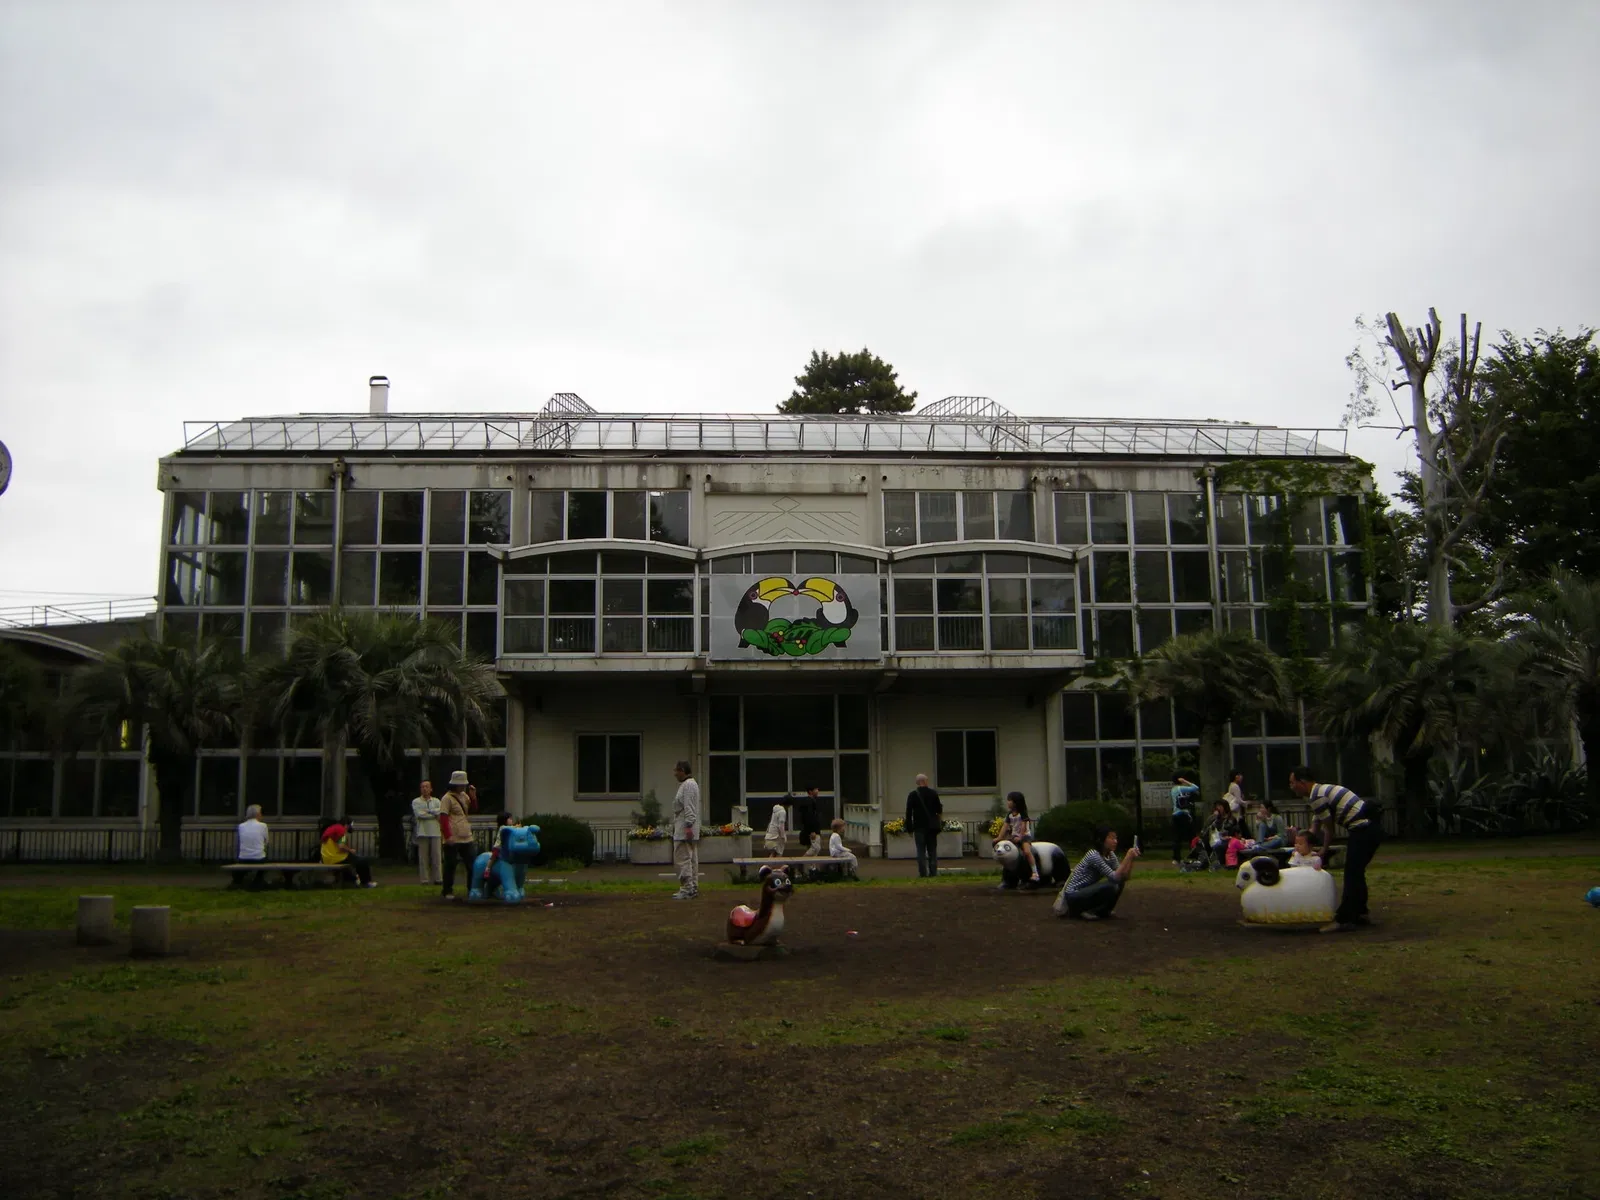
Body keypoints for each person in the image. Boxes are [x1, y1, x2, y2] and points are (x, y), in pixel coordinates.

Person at [1289, 765, 1380, 933]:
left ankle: (1344, 919)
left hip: (1362, 829)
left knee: (1352, 873)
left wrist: (1324, 850)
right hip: (1370, 828)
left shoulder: (1317, 796)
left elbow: (1329, 829)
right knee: (1356, 872)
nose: (1291, 787)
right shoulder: (1320, 792)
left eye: (1292, 782)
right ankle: (1360, 913)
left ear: (1302, 782)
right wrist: (1302, 844)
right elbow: (1314, 827)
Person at [1053, 824, 1141, 920]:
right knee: (1112, 886)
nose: (1115, 841)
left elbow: (1124, 877)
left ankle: (1104, 911)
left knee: (1119, 883)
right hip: (1073, 895)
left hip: (1085, 892)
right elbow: (1115, 877)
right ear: (1101, 839)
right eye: (1111, 838)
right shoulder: (1093, 855)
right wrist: (1127, 856)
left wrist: (1131, 859)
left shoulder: (1110, 855)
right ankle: (1087, 911)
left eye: (1116, 838)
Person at [439, 770, 478, 900]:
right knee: (451, 864)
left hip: (466, 835)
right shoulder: (447, 798)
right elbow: (443, 818)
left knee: (472, 863)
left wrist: (473, 797)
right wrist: (447, 835)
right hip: (453, 836)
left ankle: (472, 888)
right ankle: (447, 890)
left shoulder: (464, 796)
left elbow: (473, 809)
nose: (462, 787)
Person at [671, 760, 701, 900]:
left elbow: (689, 807)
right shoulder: (691, 784)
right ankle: (693, 887)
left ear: (683, 770)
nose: (675, 773)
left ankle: (687, 888)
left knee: (683, 859)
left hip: (684, 829)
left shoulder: (688, 785)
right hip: (688, 828)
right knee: (691, 859)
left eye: (677, 770)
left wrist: (688, 826)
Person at [904, 773, 943, 878]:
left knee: (921, 851)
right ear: (926, 781)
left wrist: (909, 827)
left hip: (919, 827)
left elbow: (908, 812)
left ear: (917, 782)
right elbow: (939, 810)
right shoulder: (933, 793)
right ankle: (933, 872)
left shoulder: (912, 795)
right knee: (932, 851)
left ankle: (922, 873)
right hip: (931, 827)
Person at [997, 791, 1040, 885]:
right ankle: (1008, 877)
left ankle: (1035, 872)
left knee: (1027, 852)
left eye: (1009, 800)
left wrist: (1020, 837)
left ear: (1016, 802)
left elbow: (1023, 826)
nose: (1007, 802)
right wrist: (999, 837)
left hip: (1024, 836)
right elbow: (1005, 826)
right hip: (1014, 837)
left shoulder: (1022, 813)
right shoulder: (1010, 814)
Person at [320, 821, 376, 887]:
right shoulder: (342, 830)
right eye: (351, 825)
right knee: (363, 861)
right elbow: (341, 846)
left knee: (351, 863)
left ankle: (353, 880)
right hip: (336, 857)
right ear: (346, 825)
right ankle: (366, 883)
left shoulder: (331, 829)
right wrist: (350, 850)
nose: (351, 827)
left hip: (326, 859)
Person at [411, 779, 442, 886]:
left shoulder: (437, 801)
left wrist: (429, 811)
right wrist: (433, 814)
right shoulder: (416, 801)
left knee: (437, 857)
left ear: (431, 789)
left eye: (426, 786)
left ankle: (438, 878)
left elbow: (440, 812)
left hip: (436, 831)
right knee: (423, 857)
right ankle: (424, 879)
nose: (424, 789)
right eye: (422, 787)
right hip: (422, 832)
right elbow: (419, 815)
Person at [235, 804, 269, 890]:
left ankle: (239, 882)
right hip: (259, 857)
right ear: (257, 814)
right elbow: (266, 841)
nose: (261, 815)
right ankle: (258, 881)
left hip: (243, 857)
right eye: (261, 813)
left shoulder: (241, 826)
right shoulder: (263, 825)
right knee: (265, 860)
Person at [1169, 775, 1199, 865]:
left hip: (1175, 815)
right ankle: (1195, 856)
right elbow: (1195, 787)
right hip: (1183, 815)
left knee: (1177, 837)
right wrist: (1185, 781)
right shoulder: (1181, 788)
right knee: (1192, 835)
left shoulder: (1173, 789)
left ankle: (1176, 858)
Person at [797, 786, 823, 856]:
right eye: (816, 789)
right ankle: (802, 861)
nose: (818, 791)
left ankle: (811, 866)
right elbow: (809, 817)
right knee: (816, 848)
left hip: (809, 830)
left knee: (812, 849)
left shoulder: (810, 801)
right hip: (812, 830)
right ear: (810, 791)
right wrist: (812, 831)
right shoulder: (809, 802)